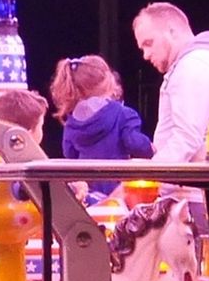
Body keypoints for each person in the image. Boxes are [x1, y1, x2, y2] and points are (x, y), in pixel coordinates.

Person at [132, 1, 209, 163]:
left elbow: (186, 138)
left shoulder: (193, 65)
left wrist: (153, 172)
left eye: (149, 43)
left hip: (197, 177)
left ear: (172, 31)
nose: (146, 55)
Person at [49, 54, 152, 198]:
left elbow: (69, 153)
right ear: (108, 81)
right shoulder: (124, 114)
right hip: (118, 192)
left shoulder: (71, 123)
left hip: (86, 193)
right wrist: (150, 148)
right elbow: (134, 143)